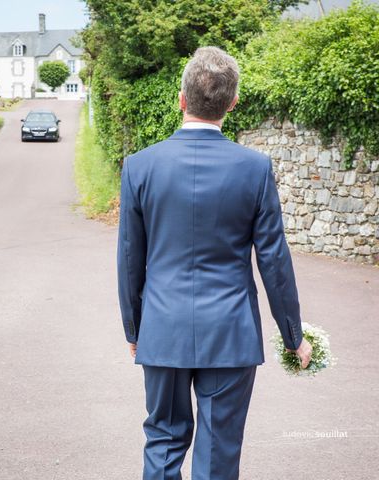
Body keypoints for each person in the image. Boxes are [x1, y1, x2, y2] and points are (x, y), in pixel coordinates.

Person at [116, 46, 313, 480]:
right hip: (230, 332)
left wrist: (135, 328)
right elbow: (274, 261)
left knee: (163, 440)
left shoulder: (139, 167)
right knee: (218, 449)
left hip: (162, 328)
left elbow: (131, 258)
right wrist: (293, 335)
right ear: (233, 103)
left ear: (181, 99)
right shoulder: (255, 169)